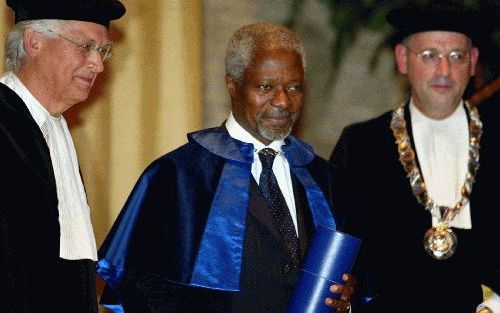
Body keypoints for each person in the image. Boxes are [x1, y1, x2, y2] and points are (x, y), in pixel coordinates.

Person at [97, 22, 354, 312]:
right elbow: (137, 287)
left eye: (294, 87)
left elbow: (353, 281)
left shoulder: (324, 179)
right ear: (232, 85)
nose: (283, 101)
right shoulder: (176, 178)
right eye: (265, 87)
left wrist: (346, 298)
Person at [329, 2, 500, 313]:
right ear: (402, 59)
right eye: (429, 56)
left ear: (473, 62)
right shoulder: (361, 145)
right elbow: (341, 256)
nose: (444, 71)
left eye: (456, 56)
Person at [0, 0, 125, 312]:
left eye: (103, 50)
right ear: (34, 42)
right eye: (86, 46)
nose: (98, 63)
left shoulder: (53, 130)